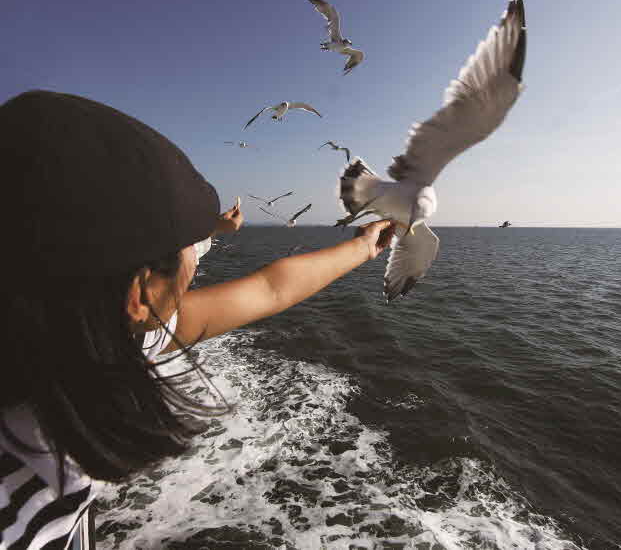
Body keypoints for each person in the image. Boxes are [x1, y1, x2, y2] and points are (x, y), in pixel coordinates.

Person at [0, 90, 394, 549]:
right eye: (192, 242)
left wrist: (364, 246)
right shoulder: (16, 515)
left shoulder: (72, 328)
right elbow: (267, 290)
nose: (201, 249)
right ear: (140, 295)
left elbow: (272, 287)